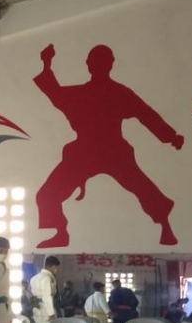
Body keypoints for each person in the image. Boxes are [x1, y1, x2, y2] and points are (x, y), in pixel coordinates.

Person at [32, 43, 184, 248]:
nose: (98, 65)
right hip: (90, 151)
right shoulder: (95, 93)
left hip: (110, 150)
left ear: (109, 64)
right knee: (47, 193)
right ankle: (60, 232)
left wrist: (171, 137)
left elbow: (147, 115)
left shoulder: (115, 93)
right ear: (91, 64)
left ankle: (165, 226)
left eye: (101, 62)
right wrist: (46, 64)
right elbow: (54, 92)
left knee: (142, 187)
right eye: (96, 61)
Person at [30, 257, 60, 323]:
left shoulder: (34, 278)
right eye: (56, 268)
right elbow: (47, 296)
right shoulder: (47, 278)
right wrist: (51, 313)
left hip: (36, 308)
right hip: (46, 310)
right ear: (53, 267)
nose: (57, 270)